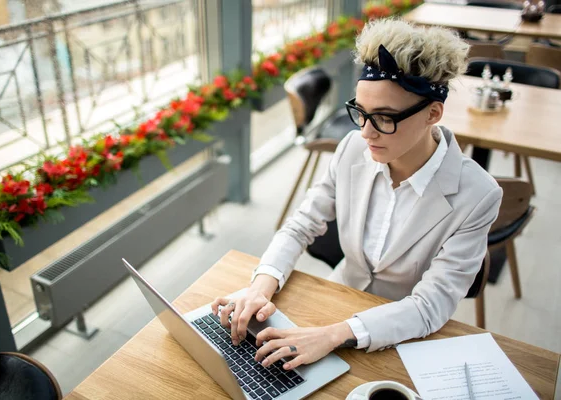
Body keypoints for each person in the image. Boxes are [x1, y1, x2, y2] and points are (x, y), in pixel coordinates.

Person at [212, 18, 503, 371]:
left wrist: (333, 334)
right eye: (361, 113)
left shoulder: (479, 196)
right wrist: (261, 285)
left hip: (402, 333)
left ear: (433, 113)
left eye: (384, 118)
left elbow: (431, 305)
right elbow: (301, 225)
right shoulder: (352, 148)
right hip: (337, 297)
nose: (366, 132)